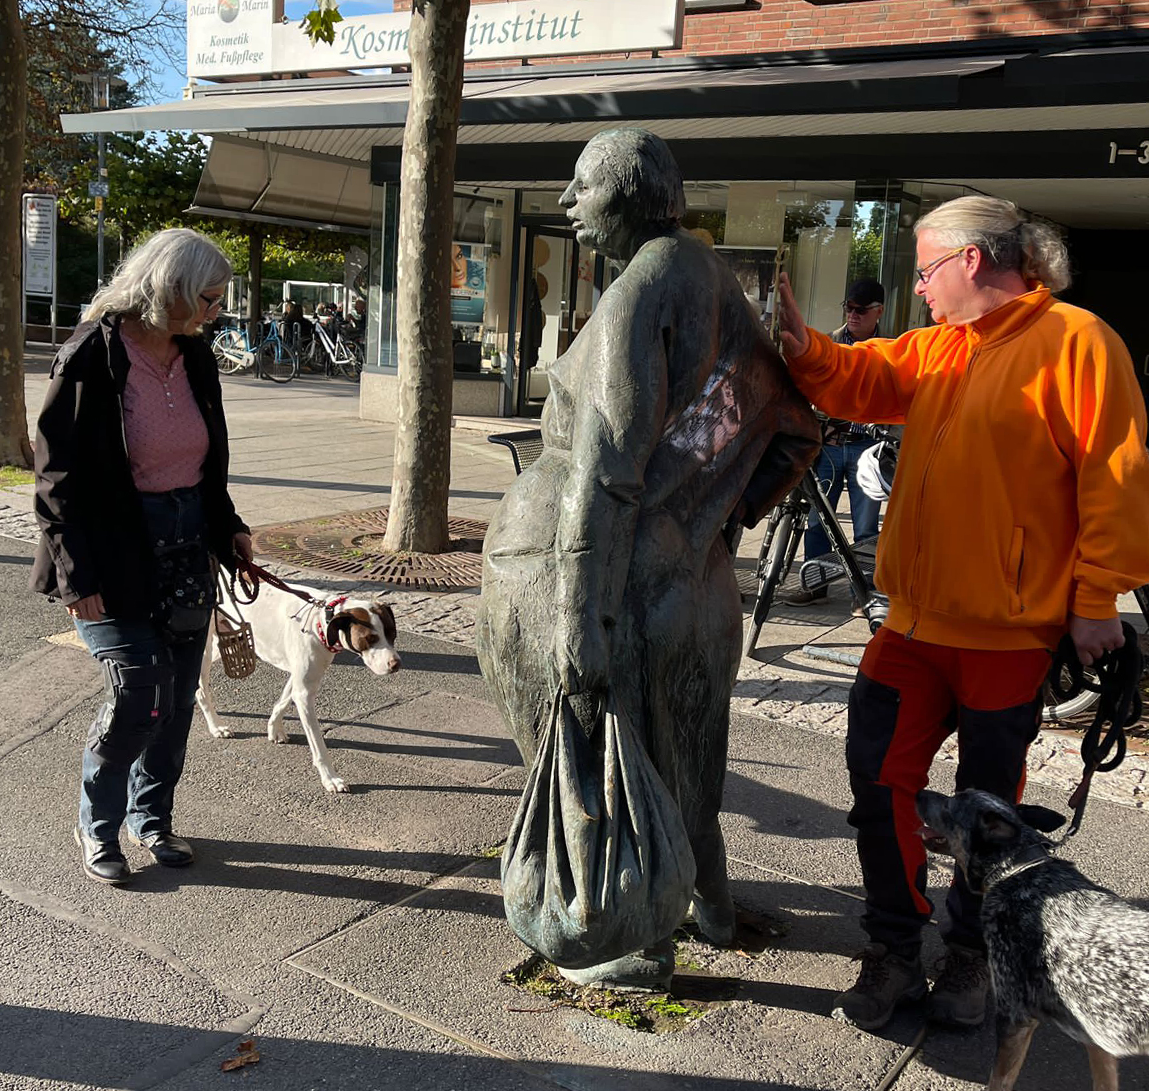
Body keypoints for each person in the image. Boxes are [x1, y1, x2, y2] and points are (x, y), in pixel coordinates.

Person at [776, 195, 1149, 1030]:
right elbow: (862, 378)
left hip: (1007, 636)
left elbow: (1116, 479)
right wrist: (802, 344)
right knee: (879, 785)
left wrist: (1096, 601)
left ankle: (974, 953)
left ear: (972, 261)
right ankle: (896, 949)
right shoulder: (938, 347)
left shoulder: (1080, 343)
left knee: (987, 809)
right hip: (910, 626)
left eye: (926, 269)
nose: (921, 286)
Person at [477, 129, 819, 989]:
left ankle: (628, 938)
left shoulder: (638, 292)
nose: (566, 204)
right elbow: (790, 423)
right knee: (690, 746)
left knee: (598, 753)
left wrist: (577, 620)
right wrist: (714, 518)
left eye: (581, 188)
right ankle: (709, 900)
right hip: (684, 575)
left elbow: (607, 469)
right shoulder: (710, 279)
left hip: (589, 568)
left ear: (628, 197)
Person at [31, 228, 253, 886]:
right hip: (113, 550)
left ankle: (150, 818)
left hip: (187, 545)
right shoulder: (89, 358)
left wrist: (229, 530)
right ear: (172, 289)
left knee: (179, 697)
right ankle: (97, 824)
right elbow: (55, 478)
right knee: (139, 694)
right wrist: (74, 574)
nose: (217, 312)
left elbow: (205, 466)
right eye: (209, 298)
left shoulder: (196, 357)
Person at [787, 279, 887, 605]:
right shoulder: (829, 342)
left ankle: (864, 594)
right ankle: (815, 586)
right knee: (818, 521)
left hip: (865, 448)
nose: (854, 314)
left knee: (866, 527)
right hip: (829, 445)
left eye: (861, 309)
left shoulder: (889, 349)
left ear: (878, 312)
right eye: (849, 308)